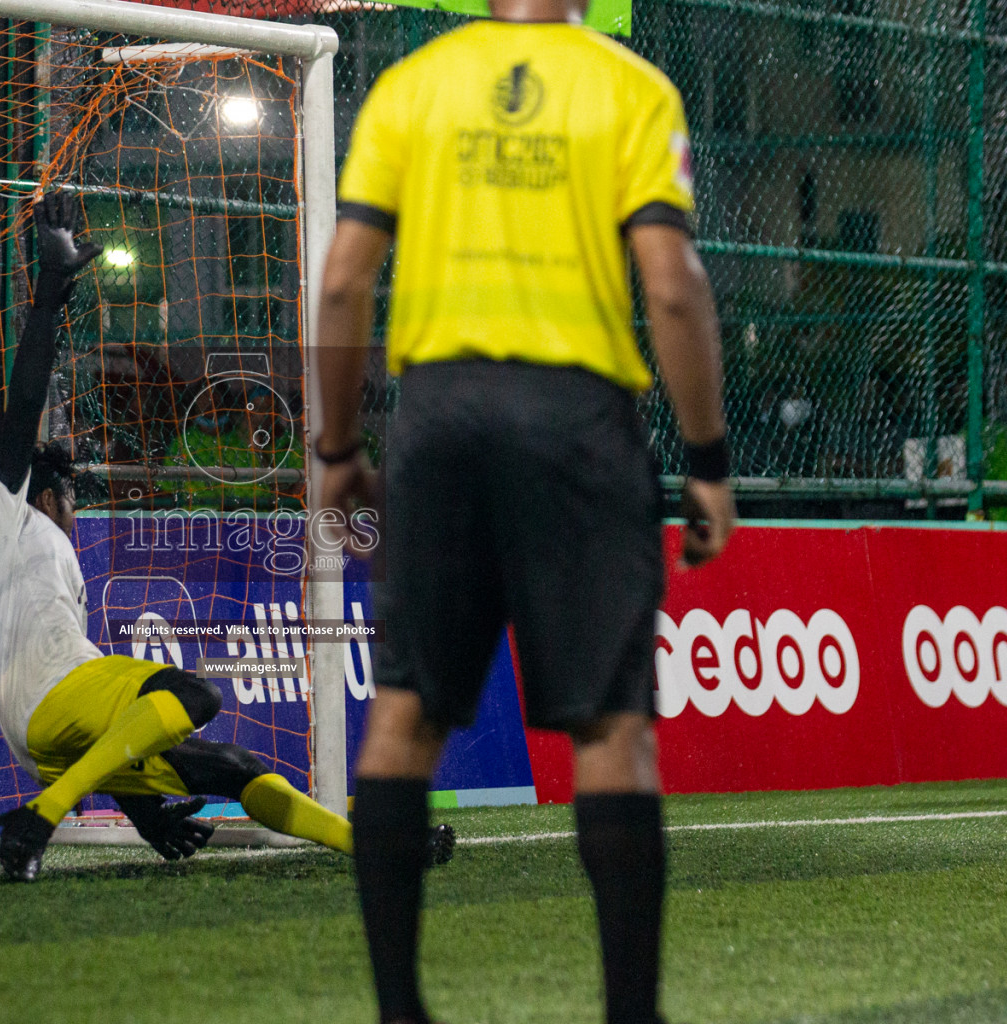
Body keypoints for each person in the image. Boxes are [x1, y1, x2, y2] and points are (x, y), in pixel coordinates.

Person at [314, 3, 736, 1023]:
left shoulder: (413, 85)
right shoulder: (632, 89)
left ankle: (400, 1011)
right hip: (579, 423)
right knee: (612, 728)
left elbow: (341, 284)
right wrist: (710, 461)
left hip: (441, 418)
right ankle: (631, 1013)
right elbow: (672, 290)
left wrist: (336, 449)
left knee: (406, 712)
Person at [0, 193, 454, 882]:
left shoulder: (52, 563)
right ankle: (41, 815)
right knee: (197, 697)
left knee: (231, 767)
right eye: (71, 496)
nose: (76, 510)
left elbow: (108, 729)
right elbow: (22, 406)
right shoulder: (1, 519)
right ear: (47, 494)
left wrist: (146, 814)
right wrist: (52, 288)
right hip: (54, 705)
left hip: (49, 736)